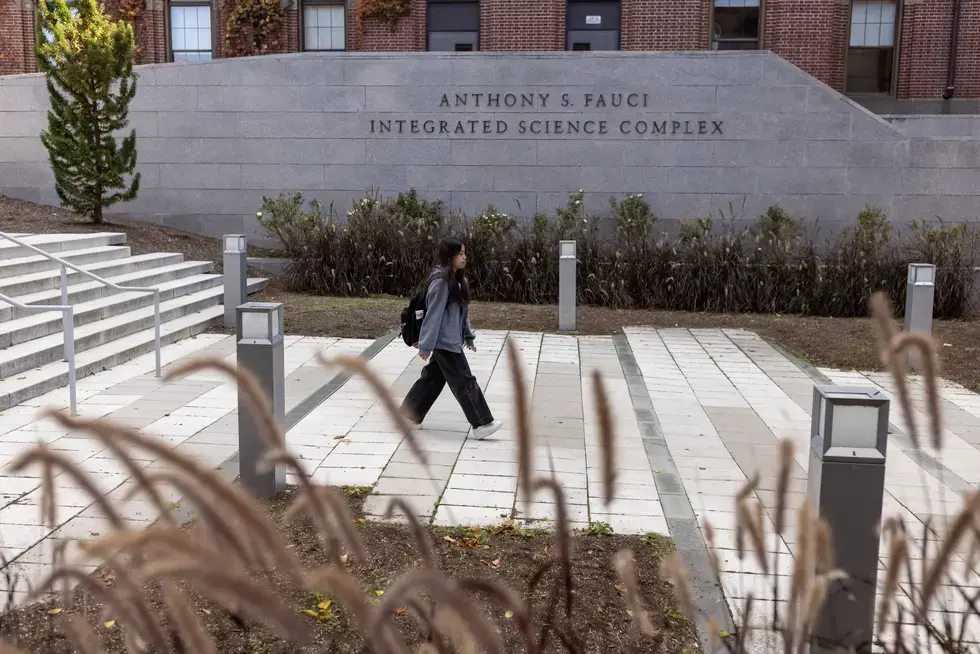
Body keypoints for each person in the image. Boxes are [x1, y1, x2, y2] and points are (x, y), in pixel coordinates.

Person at [401, 237, 504, 440]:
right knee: (464, 381)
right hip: (444, 342)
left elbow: (461, 313)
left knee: (432, 379)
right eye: (460, 254)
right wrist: (426, 346)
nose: (465, 257)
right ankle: (482, 423)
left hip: (450, 340)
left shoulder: (457, 279)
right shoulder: (441, 282)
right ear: (450, 256)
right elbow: (433, 315)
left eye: (465, 253)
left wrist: (467, 335)